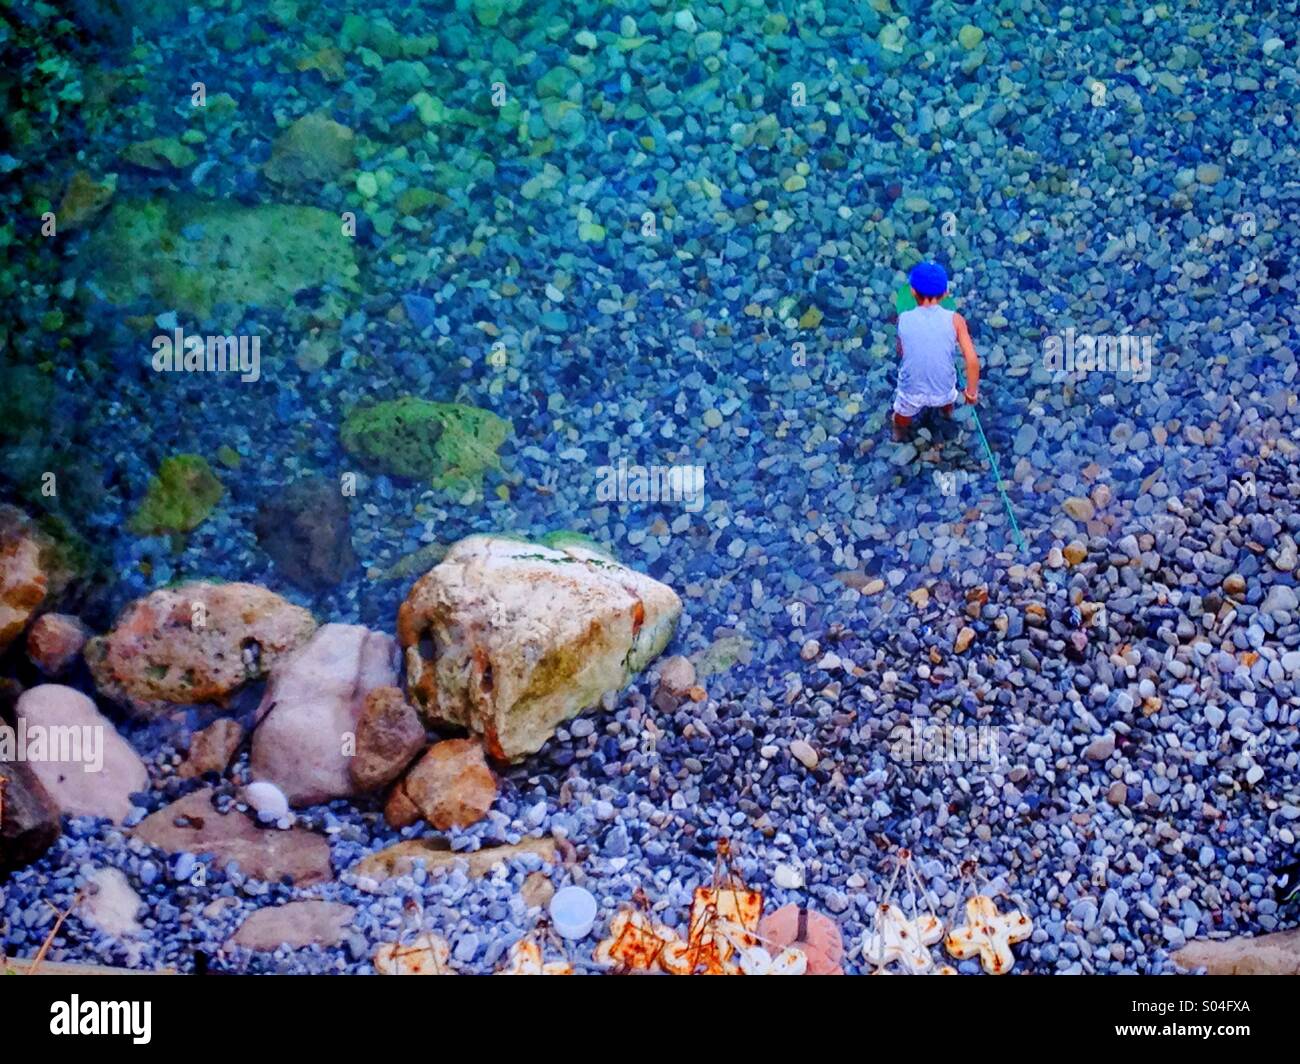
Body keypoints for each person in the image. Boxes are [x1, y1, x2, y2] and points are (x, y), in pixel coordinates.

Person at [893, 261, 980, 442]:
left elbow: (901, 350)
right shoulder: (956, 320)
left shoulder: (903, 319)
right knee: (947, 399)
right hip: (943, 391)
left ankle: (900, 433)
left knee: (900, 417)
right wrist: (971, 393)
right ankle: (946, 413)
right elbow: (972, 361)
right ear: (946, 293)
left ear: (913, 292)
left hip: (911, 392)